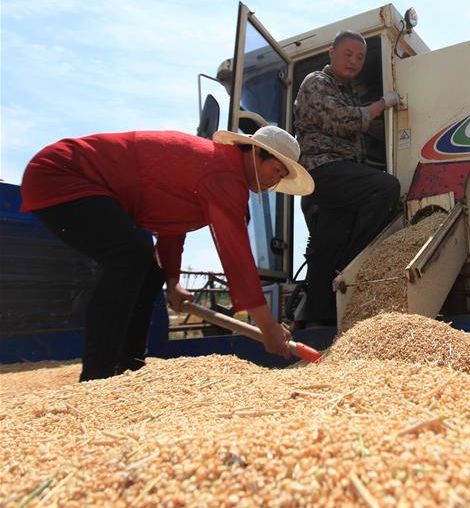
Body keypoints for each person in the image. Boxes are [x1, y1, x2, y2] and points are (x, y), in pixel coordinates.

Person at [19, 120, 315, 381]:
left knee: (148, 270)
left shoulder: (217, 169)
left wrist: (172, 281)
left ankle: (128, 366)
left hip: (82, 183)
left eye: (280, 178)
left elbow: (172, 226)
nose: (272, 182)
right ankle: (97, 376)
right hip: (60, 173)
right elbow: (235, 253)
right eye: (274, 170)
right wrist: (267, 326)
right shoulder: (224, 171)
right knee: (130, 252)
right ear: (254, 152)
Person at [293, 30, 401, 326]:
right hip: (323, 169)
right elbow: (341, 120)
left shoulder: (346, 91)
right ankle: (353, 259)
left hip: (337, 175)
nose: (354, 62)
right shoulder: (316, 82)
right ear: (332, 53)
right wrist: (382, 105)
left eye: (360, 57)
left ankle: (320, 322)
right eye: (348, 54)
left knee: (326, 248)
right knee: (385, 187)